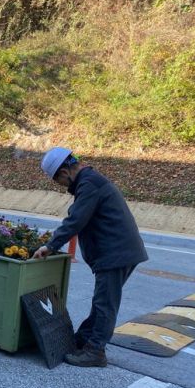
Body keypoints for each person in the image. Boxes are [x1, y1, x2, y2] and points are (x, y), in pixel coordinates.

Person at [33, 147, 148, 368]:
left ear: (64, 172)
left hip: (115, 253)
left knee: (105, 304)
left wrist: (50, 245)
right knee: (102, 300)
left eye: (59, 182)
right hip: (119, 251)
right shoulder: (90, 181)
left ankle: (95, 351)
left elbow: (76, 220)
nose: (63, 187)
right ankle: (84, 339)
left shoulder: (89, 184)